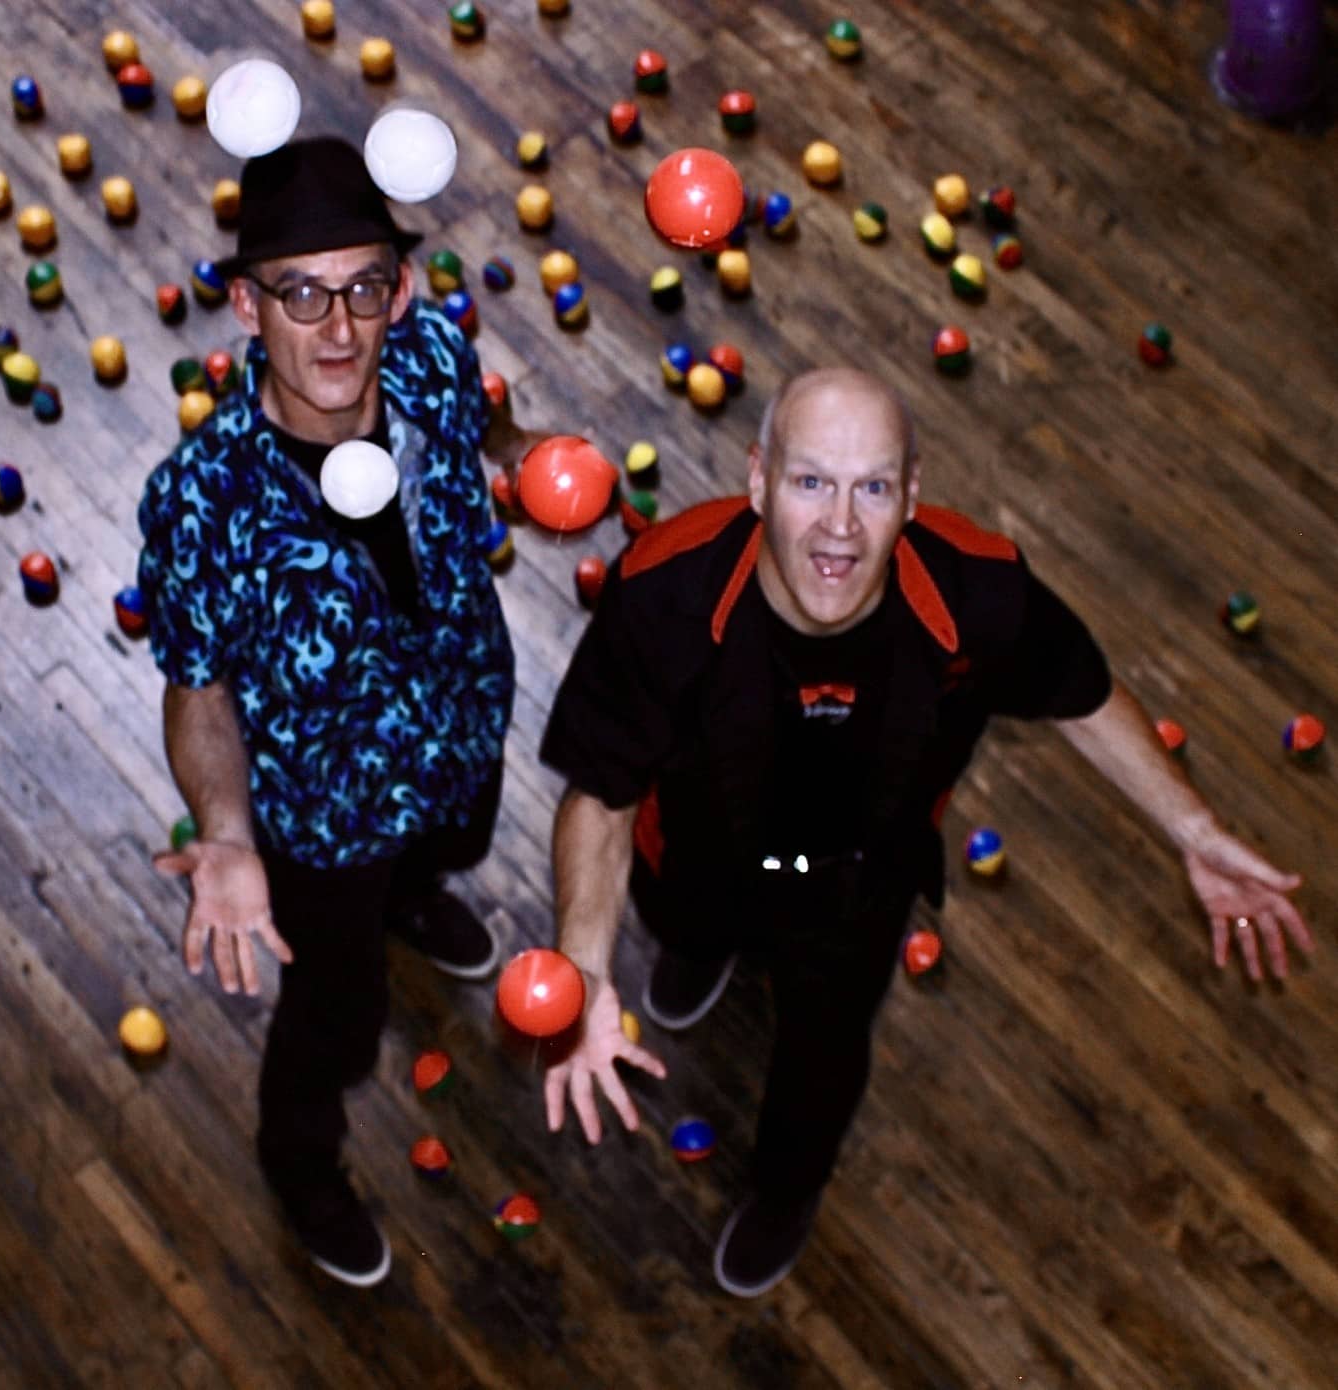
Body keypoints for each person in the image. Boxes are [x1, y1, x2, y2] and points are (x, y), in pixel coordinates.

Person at [537, 366, 1313, 1298]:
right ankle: (703, 953)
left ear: (911, 495)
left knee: (824, 1058)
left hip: (859, 886)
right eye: (811, 481)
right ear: (758, 480)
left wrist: (1193, 827)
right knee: (688, 929)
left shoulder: (976, 589)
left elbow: (1082, 696)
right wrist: (584, 970)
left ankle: (786, 1192)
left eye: (872, 488)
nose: (839, 525)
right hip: (695, 856)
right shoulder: (664, 589)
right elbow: (603, 793)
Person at [138, 137, 538, 1288]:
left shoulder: (433, 358)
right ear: (246, 306)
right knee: (338, 1017)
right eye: (301, 294)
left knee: (455, 844)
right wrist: (227, 834)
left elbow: (490, 432)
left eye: (364, 287)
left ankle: (416, 899)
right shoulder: (202, 502)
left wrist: (532, 460)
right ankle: (300, 1162)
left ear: (400, 290)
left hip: (464, 720)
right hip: (329, 817)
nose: (338, 328)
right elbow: (197, 686)